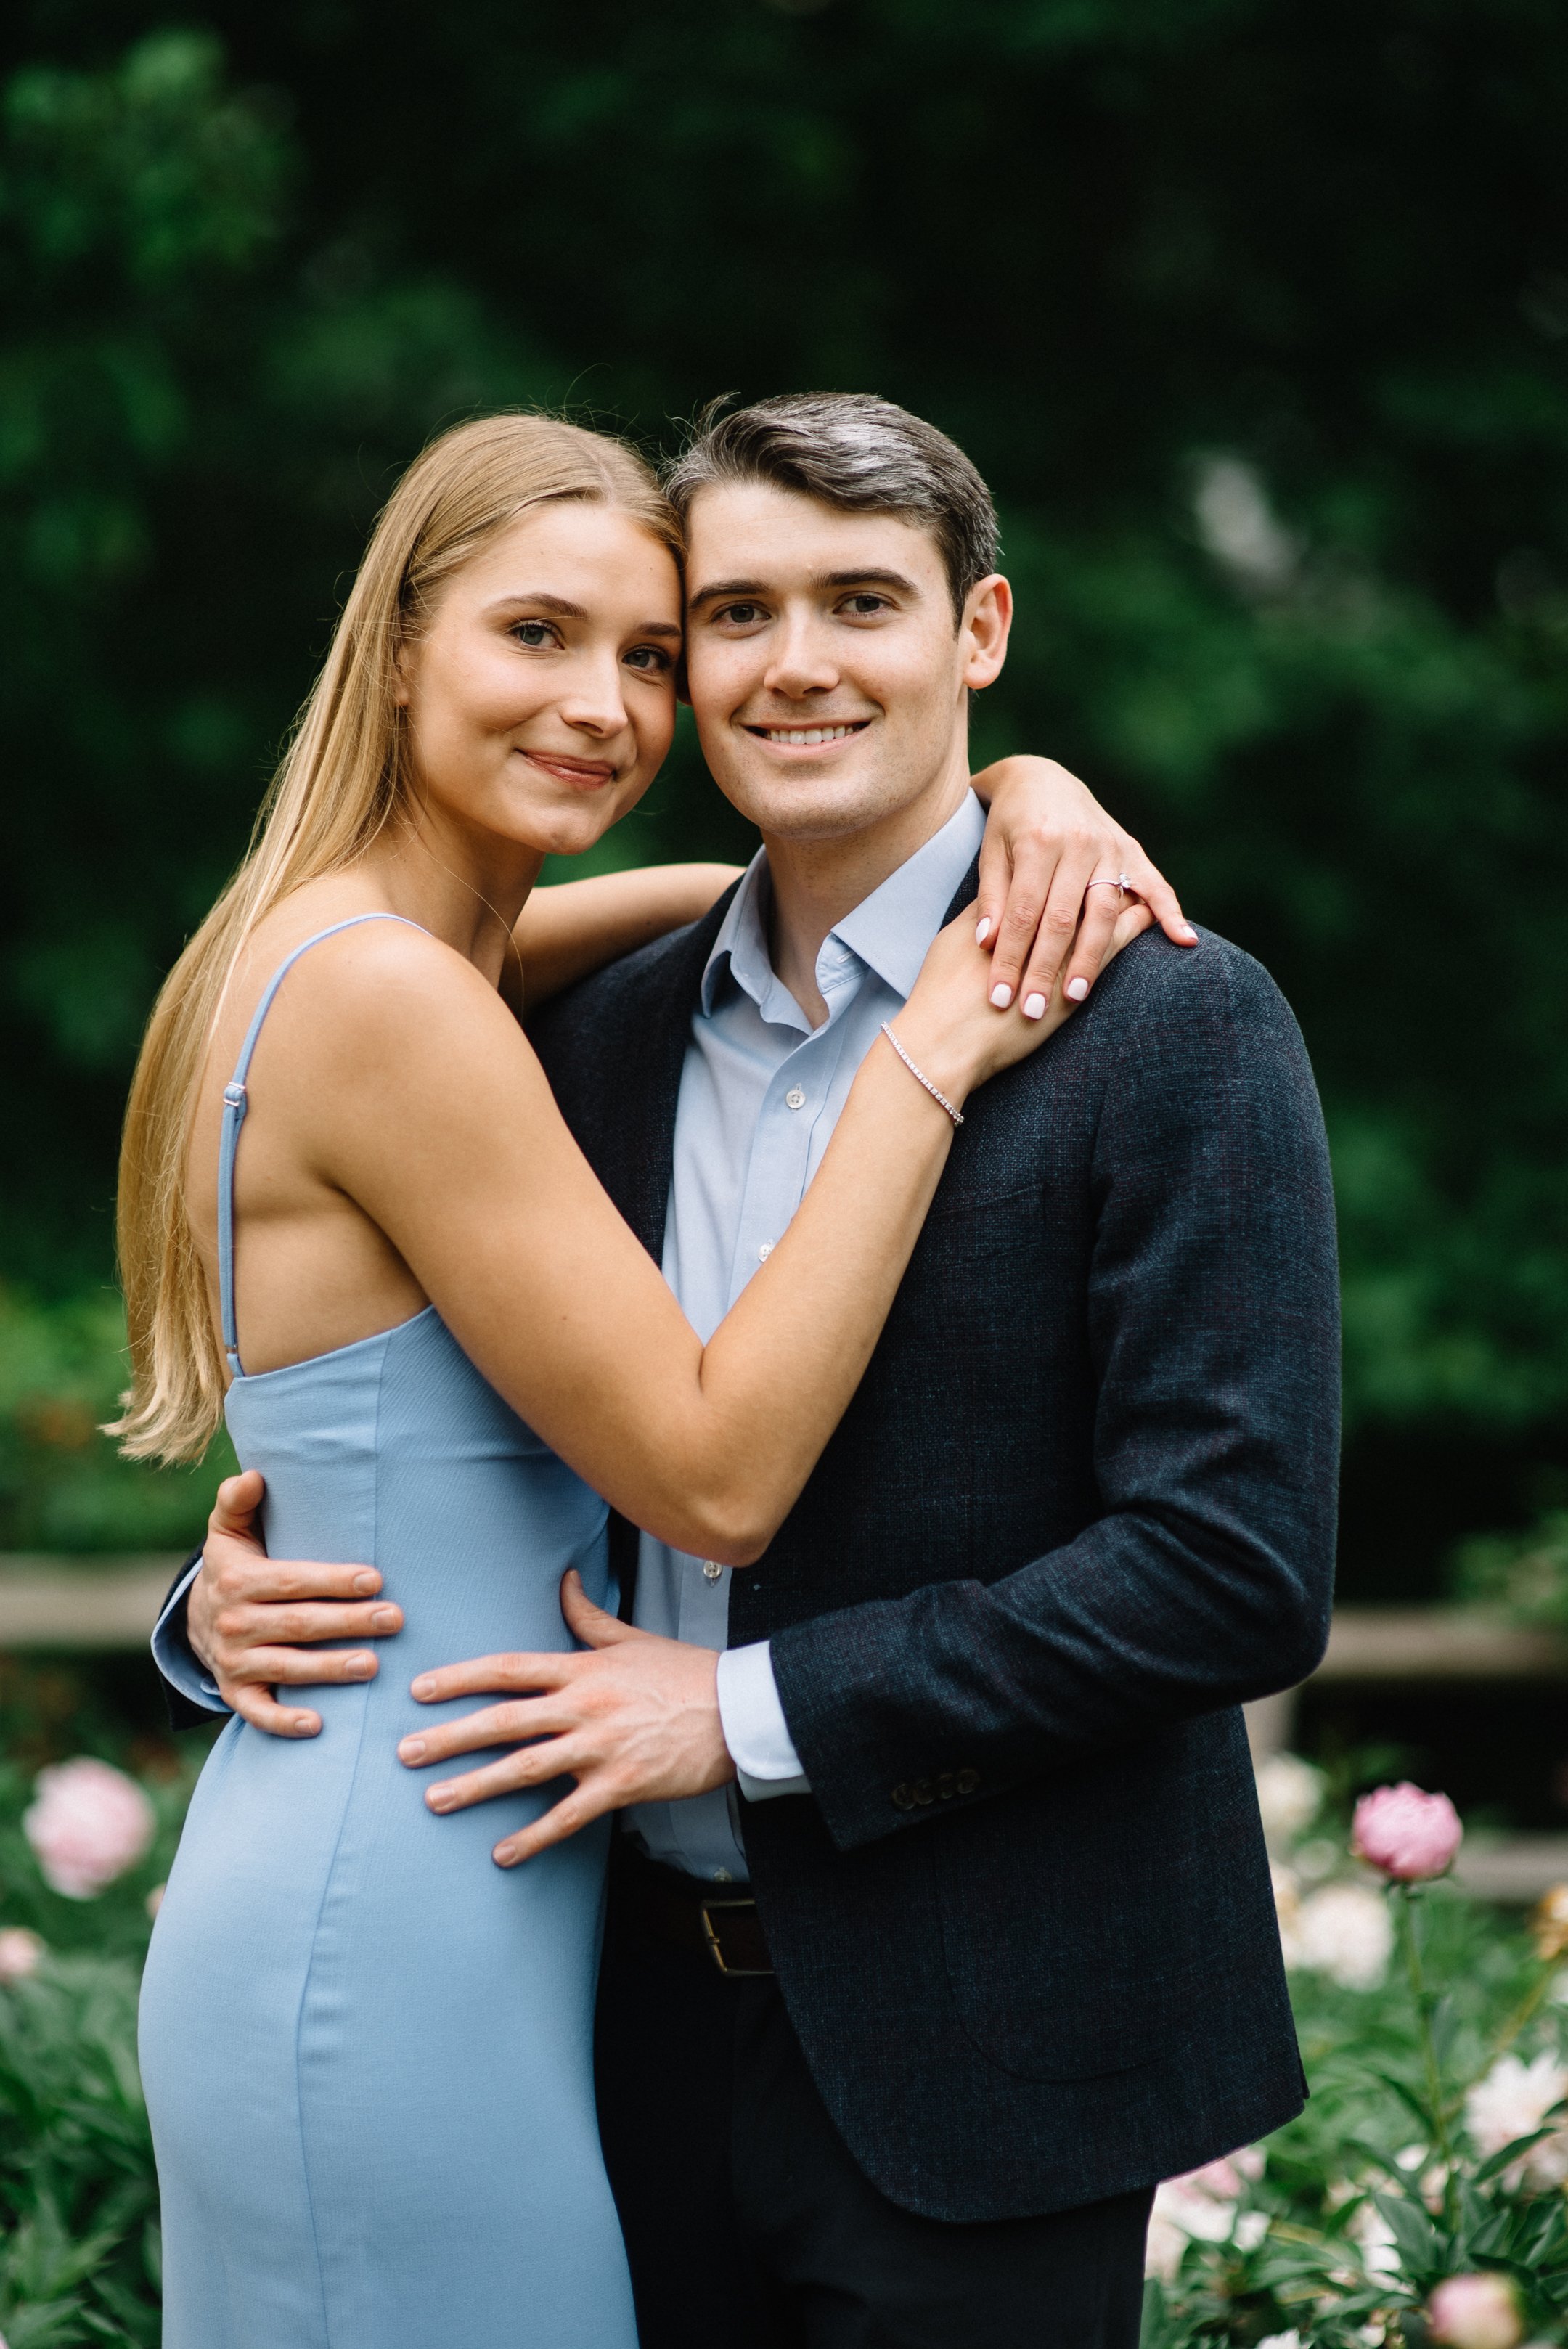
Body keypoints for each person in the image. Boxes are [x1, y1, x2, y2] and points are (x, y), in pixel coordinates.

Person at [161, 395, 1339, 2348]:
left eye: (862, 601)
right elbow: (392, 1353)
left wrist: (748, 1712)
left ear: (979, 630)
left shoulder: (1166, 1025)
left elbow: (1231, 1564)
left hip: (993, 2057)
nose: (794, 662)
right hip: (595, 2027)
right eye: (733, 614)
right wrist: (232, 1594)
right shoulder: (581, 1029)